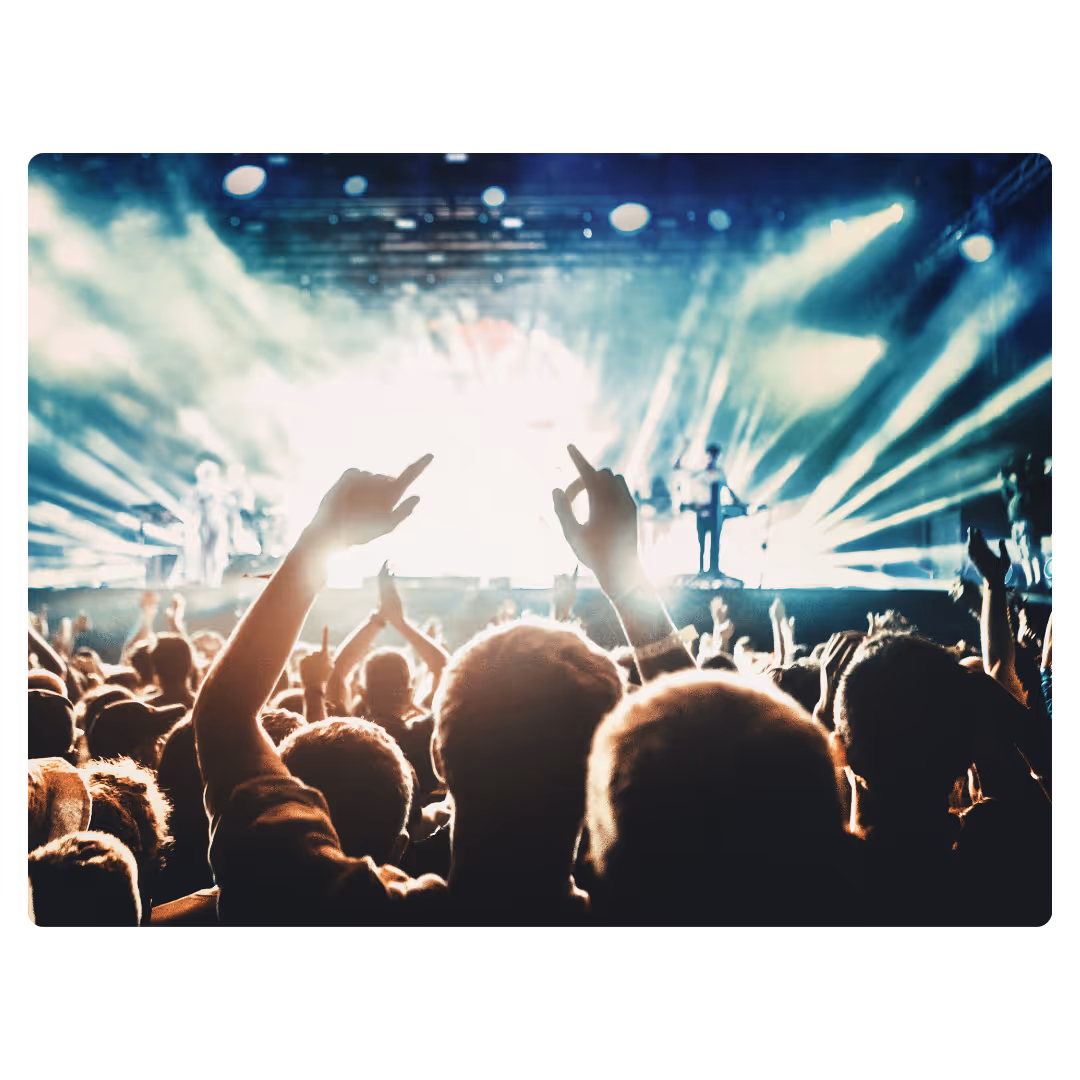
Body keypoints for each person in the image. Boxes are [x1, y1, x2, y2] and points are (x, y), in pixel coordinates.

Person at [679, 445, 747, 577]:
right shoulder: (698, 472)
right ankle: (701, 570)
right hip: (701, 509)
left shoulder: (719, 473)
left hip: (714, 510)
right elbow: (678, 467)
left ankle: (714, 569)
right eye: (710, 455)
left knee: (715, 542)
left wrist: (739, 503)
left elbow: (727, 488)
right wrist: (685, 447)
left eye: (714, 456)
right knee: (702, 543)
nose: (711, 458)